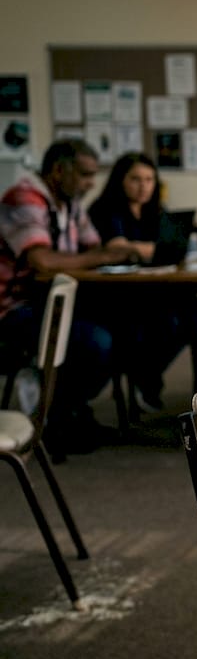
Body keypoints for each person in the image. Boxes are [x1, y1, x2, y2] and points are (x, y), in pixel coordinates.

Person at [0, 139, 138, 456]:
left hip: (52, 300)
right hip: (13, 309)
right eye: (86, 174)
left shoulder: (70, 203)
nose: (92, 183)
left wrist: (115, 253)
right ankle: (55, 419)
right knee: (93, 342)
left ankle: (69, 409)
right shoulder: (24, 198)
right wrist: (104, 256)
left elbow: (94, 247)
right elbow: (43, 261)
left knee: (127, 327)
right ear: (59, 171)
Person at [87, 152, 197, 411]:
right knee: (160, 319)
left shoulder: (155, 209)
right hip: (117, 292)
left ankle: (146, 373)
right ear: (120, 180)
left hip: (155, 286)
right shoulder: (105, 209)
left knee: (196, 311)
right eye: (135, 179)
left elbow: (169, 247)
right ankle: (145, 377)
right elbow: (117, 248)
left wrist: (147, 248)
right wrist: (150, 249)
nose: (143, 186)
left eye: (149, 179)